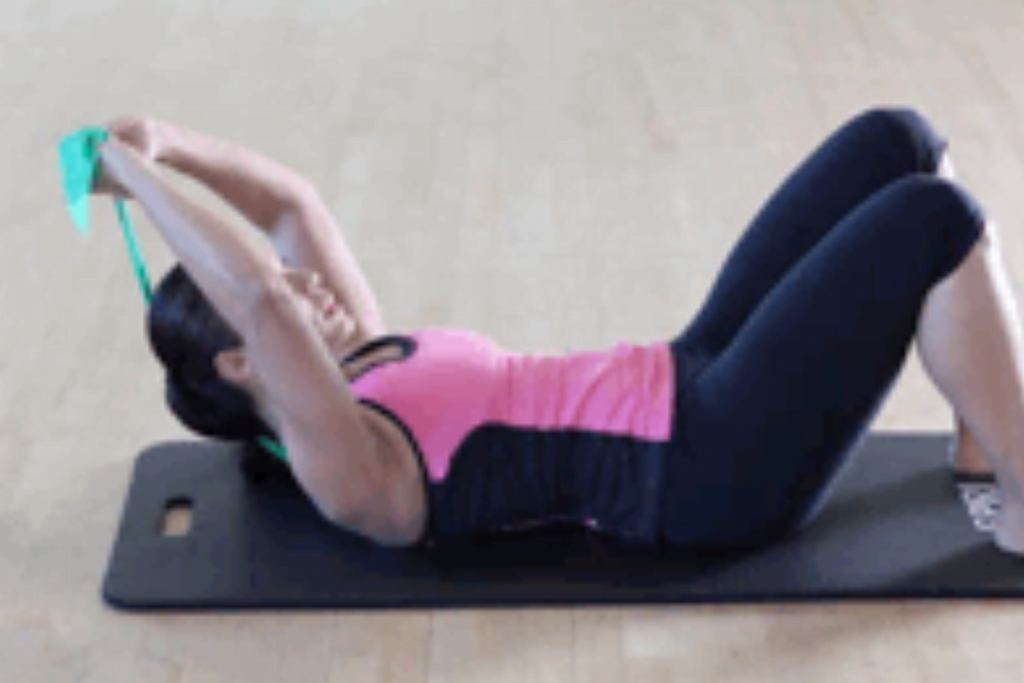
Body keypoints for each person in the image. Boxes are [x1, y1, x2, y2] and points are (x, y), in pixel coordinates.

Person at [93, 108, 1024, 556]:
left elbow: (290, 207)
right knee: (932, 219)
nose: (304, 285)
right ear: (241, 361)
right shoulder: (347, 466)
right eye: (289, 300)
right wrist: (131, 180)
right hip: (703, 471)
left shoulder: (363, 353)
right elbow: (260, 293)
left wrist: (165, 142)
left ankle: (983, 438)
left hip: (688, 370)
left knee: (898, 142)